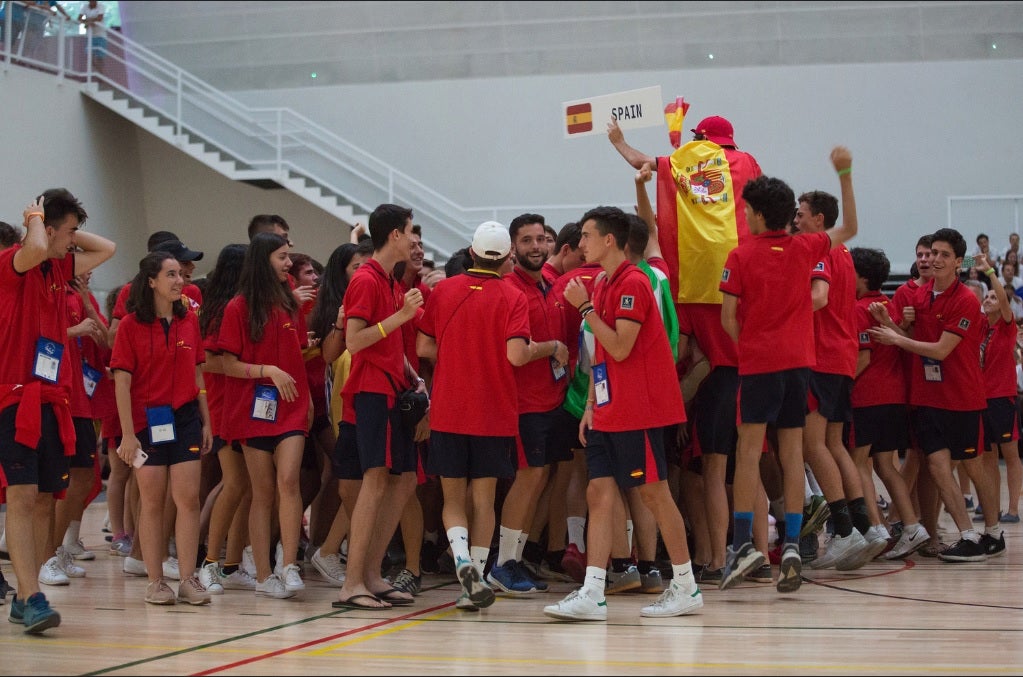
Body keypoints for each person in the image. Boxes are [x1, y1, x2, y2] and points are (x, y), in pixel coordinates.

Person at [546, 205, 701, 621]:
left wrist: (583, 309)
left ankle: (685, 586)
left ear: (609, 240)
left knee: (654, 493)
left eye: (586, 236)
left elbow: (619, 346)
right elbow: (601, 356)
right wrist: (593, 404)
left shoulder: (633, 281)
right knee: (599, 492)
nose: (580, 245)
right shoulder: (600, 283)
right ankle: (593, 592)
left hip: (641, 410)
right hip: (609, 408)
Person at [718, 148, 858, 593]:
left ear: (757, 214)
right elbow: (850, 227)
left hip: (759, 365)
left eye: (746, 210)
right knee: (794, 452)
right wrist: (845, 174)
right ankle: (795, 544)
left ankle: (743, 545)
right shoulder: (807, 247)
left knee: (749, 452)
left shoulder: (739, 256)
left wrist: (751, 346)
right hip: (800, 366)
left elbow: (727, 318)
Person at [0, 189, 114, 633]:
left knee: (47, 497)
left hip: (53, 399)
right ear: (46, 230)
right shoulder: (14, 263)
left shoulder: (56, 270)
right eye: (68, 233)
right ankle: (30, 596)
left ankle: (27, 592)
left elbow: (107, 249)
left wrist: (64, 229)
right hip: (15, 398)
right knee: (23, 496)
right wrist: (36, 217)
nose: (74, 242)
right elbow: (33, 247)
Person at [417, 221, 533, 611]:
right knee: (484, 499)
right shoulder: (514, 295)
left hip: (449, 409)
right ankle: (475, 580)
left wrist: (457, 351)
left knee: (452, 498)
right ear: (507, 258)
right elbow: (516, 355)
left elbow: (423, 345)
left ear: (471, 252)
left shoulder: (443, 290)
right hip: (494, 412)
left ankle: (463, 565)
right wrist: (544, 349)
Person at [868, 228, 1003, 562]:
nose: (937, 259)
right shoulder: (920, 295)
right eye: (933, 253)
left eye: (945, 255)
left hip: (962, 397)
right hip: (928, 397)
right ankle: (968, 533)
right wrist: (890, 323)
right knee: (938, 465)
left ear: (958, 262)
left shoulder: (966, 300)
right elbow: (909, 340)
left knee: (972, 465)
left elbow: (941, 350)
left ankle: (994, 531)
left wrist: (898, 339)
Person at [333, 203, 426, 610]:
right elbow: (354, 341)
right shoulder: (367, 280)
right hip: (371, 392)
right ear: (393, 235)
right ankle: (352, 582)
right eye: (409, 232)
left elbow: (388, 345)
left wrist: (413, 376)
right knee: (375, 480)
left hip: (394, 388)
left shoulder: (390, 280)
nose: (414, 240)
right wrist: (401, 317)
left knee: (403, 481)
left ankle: (372, 573)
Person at [111, 250, 213, 606]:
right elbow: (121, 383)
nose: (179, 281)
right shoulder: (129, 325)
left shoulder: (189, 322)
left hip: (184, 418)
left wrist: (206, 420)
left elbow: (198, 373)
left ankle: (188, 579)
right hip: (144, 423)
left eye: (179, 275)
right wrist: (126, 434)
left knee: (188, 500)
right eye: (170, 275)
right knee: (151, 503)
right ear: (151, 281)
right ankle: (155, 581)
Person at [218, 232, 311, 598]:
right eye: (282, 257)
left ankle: (288, 565)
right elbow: (226, 363)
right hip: (253, 409)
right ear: (263, 260)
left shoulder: (290, 303)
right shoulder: (237, 307)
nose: (289, 263)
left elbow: (299, 354)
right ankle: (262, 575)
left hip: (291, 407)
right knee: (262, 493)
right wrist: (267, 370)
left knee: (289, 481)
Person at [487, 214, 570, 596]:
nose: (536, 246)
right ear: (512, 247)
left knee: (539, 479)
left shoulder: (549, 285)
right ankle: (501, 565)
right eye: (526, 241)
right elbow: (514, 353)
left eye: (541, 239)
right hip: (523, 404)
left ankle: (515, 559)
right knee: (528, 478)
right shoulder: (508, 288)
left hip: (552, 400)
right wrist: (552, 349)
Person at [793, 189, 875, 571]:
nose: (795, 219)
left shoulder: (820, 249)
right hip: (841, 357)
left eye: (801, 213)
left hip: (822, 357)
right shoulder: (843, 252)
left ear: (819, 219)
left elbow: (819, 297)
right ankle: (866, 528)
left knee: (813, 446)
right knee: (834, 444)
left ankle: (843, 532)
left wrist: (778, 311)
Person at [849, 247, 929, 560]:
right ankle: (911, 525)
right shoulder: (890, 305)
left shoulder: (860, 309)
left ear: (863, 277)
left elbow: (863, 357)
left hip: (868, 396)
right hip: (895, 396)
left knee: (858, 464)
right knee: (885, 464)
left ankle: (877, 528)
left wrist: (842, 387)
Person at [196, 244, 259, 595]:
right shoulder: (221, 311)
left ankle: (232, 564)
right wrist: (254, 369)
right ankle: (209, 562)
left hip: (244, 405)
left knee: (248, 487)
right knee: (234, 484)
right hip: (222, 407)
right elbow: (209, 361)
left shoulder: (246, 308)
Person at [974, 253, 1022, 530]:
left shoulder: (1006, 326)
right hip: (980, 399)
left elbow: (1004, 300)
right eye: (987, 298)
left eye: (993, 297)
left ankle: (1013, 508)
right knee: (987, 455)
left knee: (1010, 454)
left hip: (1002, 398)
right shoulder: (980, 327)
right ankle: (990, 503)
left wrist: (989, 271)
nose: (989, 300)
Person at [78, 0, 105, 69]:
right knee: (89, 56)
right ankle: (95, 73)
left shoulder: (100, 6)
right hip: (89, 35)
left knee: (100, 57)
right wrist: (89, 22)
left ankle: (100, 75)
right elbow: (79, 19)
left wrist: (88, 21)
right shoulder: (84, 7)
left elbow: (100, 18)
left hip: (100, 35)